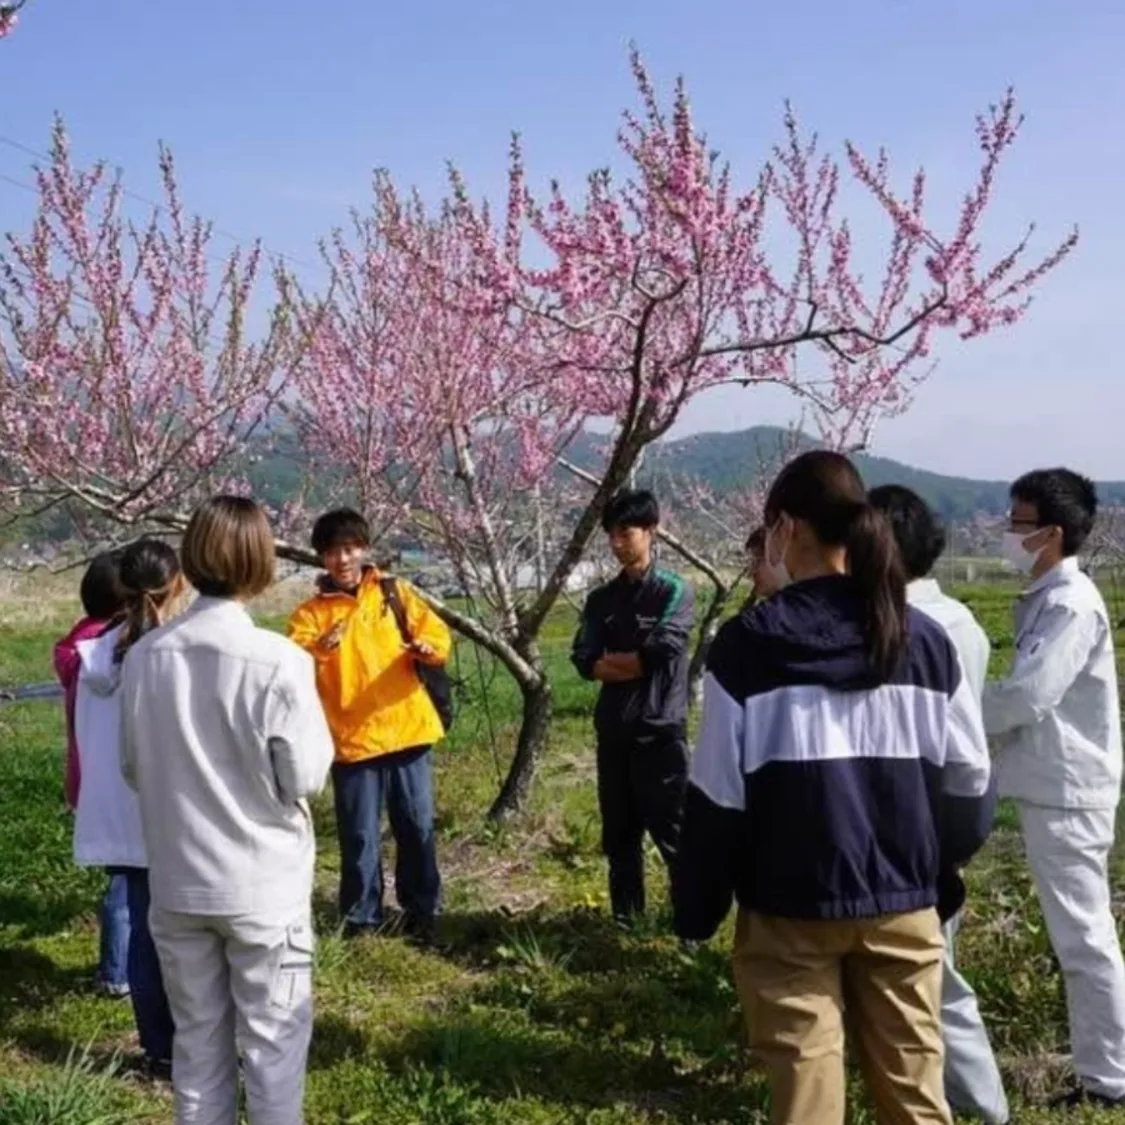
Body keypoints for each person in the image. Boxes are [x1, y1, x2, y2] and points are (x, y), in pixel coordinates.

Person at [673, 451, 994, 1125]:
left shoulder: (748, 647)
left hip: (788, 906)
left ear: (786, 527)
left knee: (806, 1092)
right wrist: (935, 872)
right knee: (915, 1089)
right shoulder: (923, 640)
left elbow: (716, 800)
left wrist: (696, 910)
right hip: (903, 899)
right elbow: (969, 785)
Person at [120, 496, 334, 1125]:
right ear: (261, 562)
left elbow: (133, 769)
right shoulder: (280, 662)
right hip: (262, 885)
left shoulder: (143, 660)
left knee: (197, 1049)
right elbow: (305, 776)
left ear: (189, 561)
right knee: (272, 1050)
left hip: (179, 883)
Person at [983, 468, 1125, 1110]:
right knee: (1078, 935)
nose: (1007, 534)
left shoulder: (1069, 603)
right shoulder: (1047, 596)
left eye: (1017, 523)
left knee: (1084, 938)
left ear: (1052, 534)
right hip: (1052, 784)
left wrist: (952, 708)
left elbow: (1030, 696)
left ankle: (1110, 1080)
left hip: (1068, 789)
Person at [870, 484, 1008, 1125]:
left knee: (937, 979)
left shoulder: (920, 628)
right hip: (936, 821)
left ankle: (980, 1105)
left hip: (918, 826)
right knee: (931, 973)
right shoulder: (960, 619)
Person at [287, 507, 452, 941]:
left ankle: (423, 913)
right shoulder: (310, 615)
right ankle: (362, 920)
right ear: (321, 559)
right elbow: (293, 665)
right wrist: (322, 648)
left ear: (363, 549)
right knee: (360, 837)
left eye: (348, 549)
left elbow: (438, 638)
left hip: (407, 731)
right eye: (331, 552)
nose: (342, 560)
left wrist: (425, 647)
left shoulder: (394, 595)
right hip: (351, 742)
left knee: (417, 829)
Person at [74, 539, 180, 1078]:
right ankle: (192, 1042)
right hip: (167, 819)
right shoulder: (163, 657)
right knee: (182, 936)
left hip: (119, 819)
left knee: (143, 932)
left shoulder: (95, 658)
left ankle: (158, 1046)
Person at [571, 489, 695, 923]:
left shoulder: (674, 591)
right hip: (614, 735)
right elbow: (583, 660)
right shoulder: (601, 600)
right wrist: (632, 663)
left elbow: (661, 651)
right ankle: (628, 922)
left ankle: (690, 925)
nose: (617, 542)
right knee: (620, 838)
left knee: (674, 835)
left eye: (626, 532)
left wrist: (620, 662)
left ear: (651, 531)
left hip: (659, 734)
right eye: (611, 534)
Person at [53, 550, 130, 999]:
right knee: (129, 878)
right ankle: (118, 971)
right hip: (121, 779)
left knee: (121, 873)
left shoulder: (77, 647)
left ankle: (117, 965)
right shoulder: (115, 649)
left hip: (88, 776)